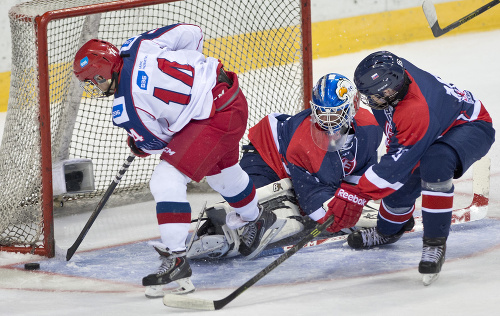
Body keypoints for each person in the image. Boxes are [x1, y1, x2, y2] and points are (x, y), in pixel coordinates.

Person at [72, 23, 283, 297]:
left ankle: (177, 259)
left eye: (93, 81)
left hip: (215, 118)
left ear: (101, 75)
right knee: (222, 172)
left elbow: (157, 142)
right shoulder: (135, 45)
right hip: (230, 95)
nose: (94, 87)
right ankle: (255, 218)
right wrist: (192, 81)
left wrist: (139, 145)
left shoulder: (126, 108)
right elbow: (193, 32)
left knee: (166, 178)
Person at [326, 51, 494, 284]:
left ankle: (435, 244)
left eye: (376, 95)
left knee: (435, 162)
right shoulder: (392, 76)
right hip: (432, 125)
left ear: (391, 88)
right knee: (399, 189)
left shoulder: (414, 109)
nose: (372, 102)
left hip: (469, 126)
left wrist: (355, 195)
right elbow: (397, 160)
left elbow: (392, 169)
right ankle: (389, 230)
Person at [187, 73, 384, 260]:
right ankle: (222, 228)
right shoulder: (304, 144)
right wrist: (353, 218)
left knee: (306, 211)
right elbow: (313, 203)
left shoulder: (371, 126)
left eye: (335, 115)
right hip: (267, 159)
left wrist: (357, 205)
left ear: (353, 107)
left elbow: (359, 179)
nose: (328, 122)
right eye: (322, 114)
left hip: (300, 163)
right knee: (278, 219)